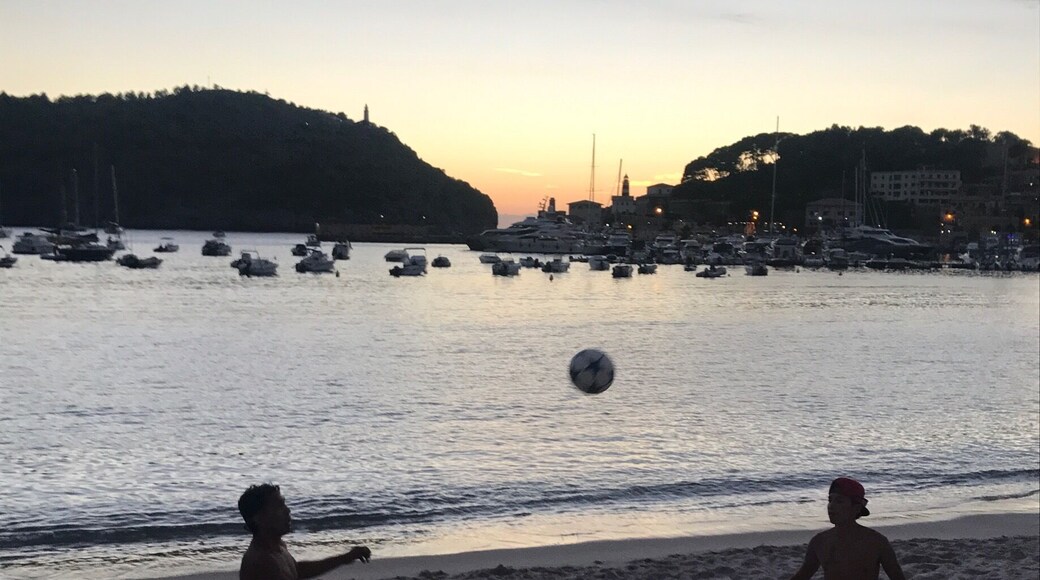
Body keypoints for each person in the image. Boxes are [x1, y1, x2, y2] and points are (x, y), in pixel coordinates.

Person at [238, 483, 371, 580]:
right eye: (278, 506)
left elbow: (296, 570)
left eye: (284, 504)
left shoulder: (277, 546)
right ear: (259, 518)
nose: (287, 510)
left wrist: (346, 557)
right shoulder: (262, 561)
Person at [789, 477, 906, 580]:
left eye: (839, 501)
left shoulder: (876, 542)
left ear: (856, 508)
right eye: (830, 500)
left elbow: (897, 576)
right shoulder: (819, 542)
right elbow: (803, 575)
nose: (831, 506)